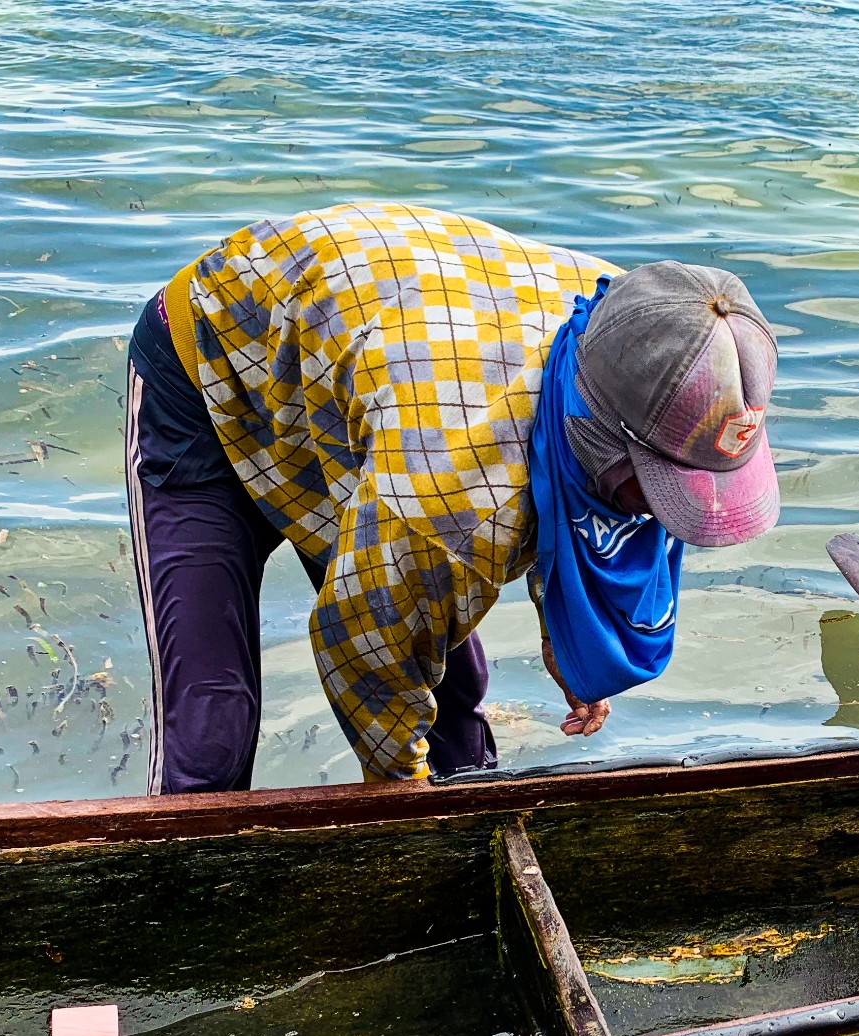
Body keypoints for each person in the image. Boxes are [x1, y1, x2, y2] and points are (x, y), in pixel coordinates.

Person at [122, 202, 779, 792]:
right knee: (212, 737)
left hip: (365, 385)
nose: (674, 513)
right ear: (605, 436)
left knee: (455, 714)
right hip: (213, 369)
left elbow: (576, 494)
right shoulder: (450, 502)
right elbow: (364, 659)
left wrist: (566, 633)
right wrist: (402, 804)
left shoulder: (671, 337)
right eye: (661, 489)